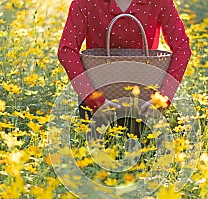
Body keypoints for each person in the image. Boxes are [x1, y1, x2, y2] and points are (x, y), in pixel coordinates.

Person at [58, 0, 191, 135]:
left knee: (141, 152)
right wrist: (93, 98)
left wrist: (161, 98)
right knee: (93, 151)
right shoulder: (84, 3)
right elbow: (67, 50)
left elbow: (182, 49)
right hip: (96, 100)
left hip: (144, 104)